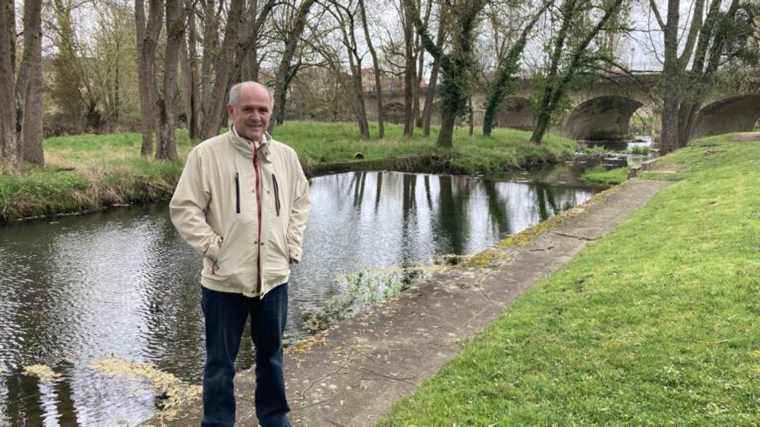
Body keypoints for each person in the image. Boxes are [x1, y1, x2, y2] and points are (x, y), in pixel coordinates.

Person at [170, 81, 310, 427]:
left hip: (274, 279)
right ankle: (217, 423)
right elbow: (184, 208)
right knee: (220, 363)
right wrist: (214, 247)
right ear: (232, 112)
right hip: (224, 283)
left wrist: (291, 245)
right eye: (248, 109)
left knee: (272, 358)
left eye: (262, 109)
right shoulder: (206, 155)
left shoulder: (286, 157)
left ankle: (275, 419)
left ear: (270, 112)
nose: (256, 116)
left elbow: (300, 202)